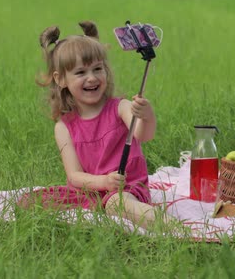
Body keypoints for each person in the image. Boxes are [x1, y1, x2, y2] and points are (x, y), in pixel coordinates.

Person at [18, 20, 167, 229]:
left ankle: (171, 224)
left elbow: (144, 134)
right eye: (80, 73)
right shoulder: (63, 127)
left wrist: (147, 116)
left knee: (117, 203)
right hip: (89, 191)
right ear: (61, 79)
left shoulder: (120, 107)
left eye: (98, 69)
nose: (92, 78)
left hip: (125, 188)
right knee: (32, 202)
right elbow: (74, 175)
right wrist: (102, 183)